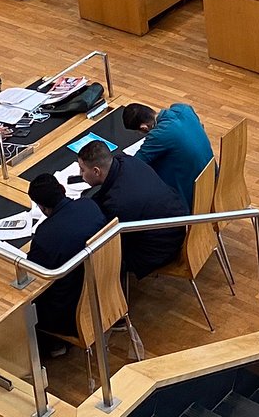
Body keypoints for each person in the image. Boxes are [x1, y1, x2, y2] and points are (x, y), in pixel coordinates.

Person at [76, 139, 185, 279]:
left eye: (83, 170)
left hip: (160, 248)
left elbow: (111, 239)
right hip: (176, 220)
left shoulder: (117, 204)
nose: (80, 174)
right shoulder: (126, 161)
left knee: (98, 252)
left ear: (96, 171)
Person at [27, 174, 109, 353]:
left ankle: (51, 346)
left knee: (25, 300)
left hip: (71, 313)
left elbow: (33, 277)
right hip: (107, 288)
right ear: (62, 189)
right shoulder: (89, 205)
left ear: (41, 207)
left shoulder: (45, 236)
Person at [120, 103, 213, 211]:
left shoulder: (158, 135)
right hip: (210, 175)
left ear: (144, 128)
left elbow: (136, 164)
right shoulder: (183, 109)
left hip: (193, 194)